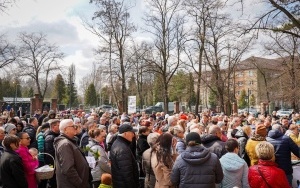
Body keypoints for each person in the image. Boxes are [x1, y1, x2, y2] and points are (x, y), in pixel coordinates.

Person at [53, 119, 91, 188]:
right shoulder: (65, 144)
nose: (75, 128)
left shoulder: (70, 141)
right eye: (73, 126)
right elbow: (68, 169)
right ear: (66, 129)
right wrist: (81, 184)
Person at [110, 123, 139, 188]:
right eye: (132, 133)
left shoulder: (119, 143)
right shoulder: (122, 149)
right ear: (125, 133)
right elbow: (127, 173)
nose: (133, 135)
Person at [44, 119, 60, 188]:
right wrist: (54, 168)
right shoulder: (50, 138)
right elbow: (50, 155)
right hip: (53, 165)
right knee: (53, 182)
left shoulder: (56, 135)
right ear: (53, 127)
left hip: (56, 165)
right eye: (59, 125)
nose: (60, 127)